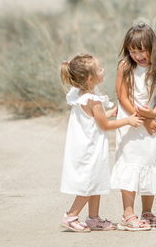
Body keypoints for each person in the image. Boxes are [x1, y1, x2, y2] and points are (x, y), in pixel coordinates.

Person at [110, 22, 156, 231]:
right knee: (130, 163)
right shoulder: (125, 67)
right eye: (132, 50)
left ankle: (147, 211)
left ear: (152, 47)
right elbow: (122, 96)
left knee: (149, 163)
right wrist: (144, 119)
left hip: (151, 127)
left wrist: (152, 115)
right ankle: (127, 214)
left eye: (141, 50)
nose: (137, 55)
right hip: (131, 123)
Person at [59, 53, 142, 232]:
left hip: (86, 146)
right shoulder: (93, 100)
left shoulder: (81, 95)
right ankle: (71, 216)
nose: (103, 70)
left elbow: (99, 117)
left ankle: (93, 218)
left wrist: (114, 111)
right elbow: (104, 125)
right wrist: (128, 121)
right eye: (99, 69)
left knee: (95, 181)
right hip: (90, 149)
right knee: (88, 184)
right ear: (90, 78)